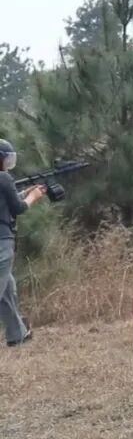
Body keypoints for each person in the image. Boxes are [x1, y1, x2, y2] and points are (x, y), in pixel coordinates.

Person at [0, 140, 47, 348]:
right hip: (2, 241)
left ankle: (17, 334)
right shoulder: (4, 178)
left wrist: (23, 194)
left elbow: (5, 204)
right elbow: (18, 209)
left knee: (7, 290)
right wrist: (33, 197)